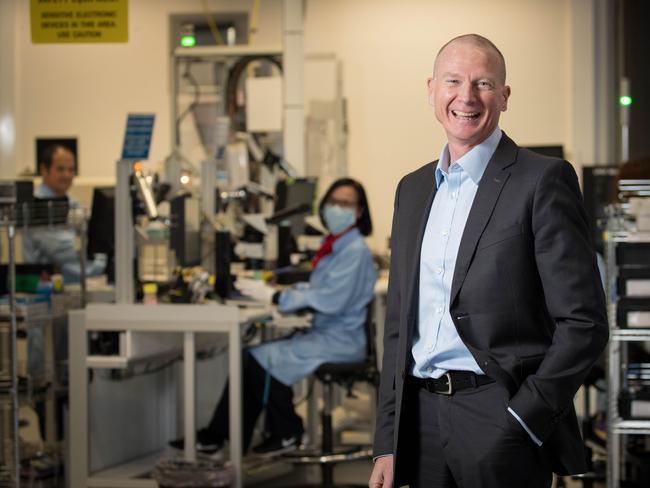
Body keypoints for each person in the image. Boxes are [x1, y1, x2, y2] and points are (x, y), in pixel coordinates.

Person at [369, 34, 609, 488]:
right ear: (431, 89)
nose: (466, 97)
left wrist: (526, 416)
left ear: (504, 96)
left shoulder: (542, 180)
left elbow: (584, 322)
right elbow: (398, 326)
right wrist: (387, 439)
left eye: (483, 83)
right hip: (418, 421)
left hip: (498, 415)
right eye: (453, 81)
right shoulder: (413, 189)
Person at [171, 177, 377, 457]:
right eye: (332, 202)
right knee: (251, 356)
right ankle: (221, 437)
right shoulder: (337, 246)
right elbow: (319, 289)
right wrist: (278, 291)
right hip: (328, 335)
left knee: (261, 359)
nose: (336, 209)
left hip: (338, 341)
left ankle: (287, 431)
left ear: (359, 211)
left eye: (345, 204)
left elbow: (329, 299)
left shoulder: (354, 251)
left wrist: (276, 297)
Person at [22, 144, 107, 283]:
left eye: (71, 169)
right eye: (60, 169)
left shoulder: (73, 203)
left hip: (70, 285)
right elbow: (62, 250)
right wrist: (100, 263)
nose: (67, 175)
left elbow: (94, 234)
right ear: (44, 170)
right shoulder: (36, 206)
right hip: (43, 289)